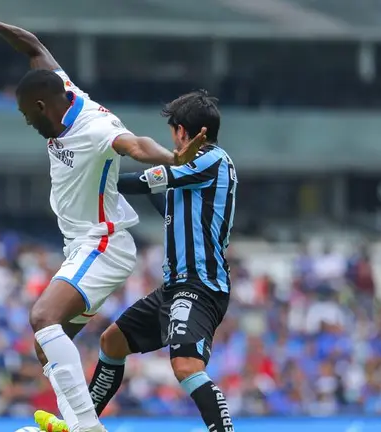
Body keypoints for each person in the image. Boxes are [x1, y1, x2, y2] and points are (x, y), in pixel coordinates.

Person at [0, 9, 208, 432]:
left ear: (42, 106)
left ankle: (85, 428)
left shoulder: (93, 127)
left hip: (104, 242)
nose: (26, 121)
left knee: (42, 318)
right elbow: (35, 46)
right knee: (47, 346)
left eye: (26, 114)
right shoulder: (62, 91)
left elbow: (134, 144)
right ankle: (74, 422)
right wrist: (0, 29)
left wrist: (173, 161)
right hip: (81, 246)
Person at [37, 90, 237, 431]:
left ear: (182, 132)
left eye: (172, 130)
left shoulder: (211, 161)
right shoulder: (190, 175)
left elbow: (144, 182)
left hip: (199, 286)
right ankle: (82, 424)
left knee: (186, 365)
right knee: (112, 341)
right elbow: (164, 202)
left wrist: (93, 176)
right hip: (176, 287)